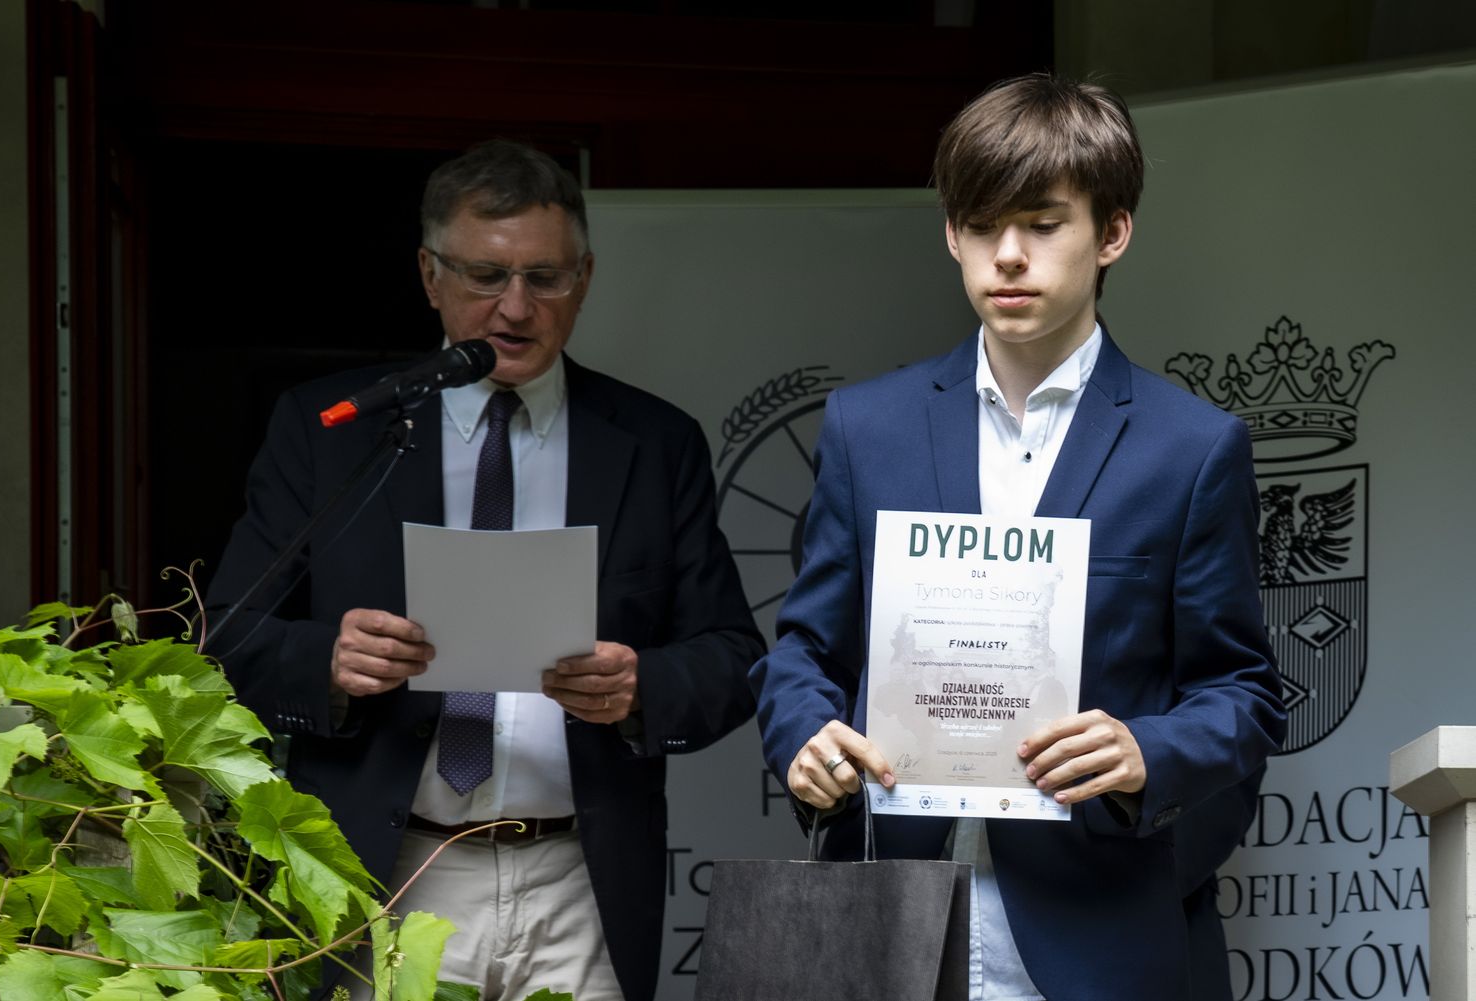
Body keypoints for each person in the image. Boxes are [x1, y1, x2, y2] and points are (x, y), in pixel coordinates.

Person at [750, 74, 1285, 1000]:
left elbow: (1243, 691)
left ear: (1112, 233)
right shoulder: (866, 429)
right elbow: (806, 649)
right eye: (981, 225)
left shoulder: (1192, 449)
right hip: (888, 918)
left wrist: (1146, 750)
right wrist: (803, 736)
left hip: (1101, 925)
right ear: (951, 234)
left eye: (1042, 224)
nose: (1007, 256)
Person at [205, 139, 764, 1001]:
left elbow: (732, 655)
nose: (515, 307)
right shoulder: (334, 431)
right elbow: (228, 633)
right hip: (392, 867)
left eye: (545, 277)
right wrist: (329, 661)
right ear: (430, 276)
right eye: (485, 276)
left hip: (581, 877)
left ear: (584, 279)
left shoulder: (654, 443)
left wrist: (640, 686)